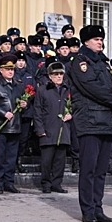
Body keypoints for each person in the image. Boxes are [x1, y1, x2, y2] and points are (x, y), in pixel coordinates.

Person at [67, 25, 112, 222]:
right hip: (89, 120)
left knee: (101, 170)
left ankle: (98, 207)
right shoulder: (80, 62)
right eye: (95, 39)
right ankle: (88, 211)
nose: (100, 42)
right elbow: (90, 88)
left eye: (101, 39)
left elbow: (108, 86)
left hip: (106, 122)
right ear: (85, 42)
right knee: (89, 169)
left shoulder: (103, 62)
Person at [0, 54, 27, 194]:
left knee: (11, 156)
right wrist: (3, 113)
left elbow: (20, 102)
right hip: (0, 125)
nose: (11, 72)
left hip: (15, 126)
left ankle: (9, 181)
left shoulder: (18, 85)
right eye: (7, 69)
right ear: (1, 70)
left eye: (12, 69)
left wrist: (23, 104)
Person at [34, 60, 72, 193]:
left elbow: (76, 106)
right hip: (48, 130)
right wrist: (40, 130)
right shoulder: (42, 90)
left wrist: (71, 114)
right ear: (50, 76)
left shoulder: (68, 90)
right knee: (47, 161)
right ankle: (46, 183)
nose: (59, 76)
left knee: (60, 161)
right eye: (56, 74)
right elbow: (37, 111)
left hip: (63, 130)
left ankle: (57, 183)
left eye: (61, 74)